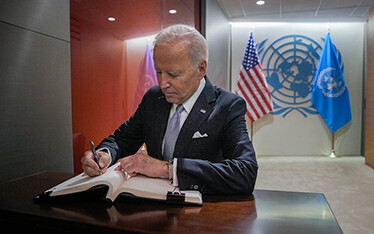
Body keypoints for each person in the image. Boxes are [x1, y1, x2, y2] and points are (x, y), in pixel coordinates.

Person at [81, 24, 258, 194]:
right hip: (151, 204)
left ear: (201, 69)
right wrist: (104, 155)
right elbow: (122, 139)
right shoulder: (153, 98)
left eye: (173, 74)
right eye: (158, 72)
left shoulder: (228, 106)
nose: (163, 83)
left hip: (201, 211)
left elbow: (245, 173)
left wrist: (166, 169)